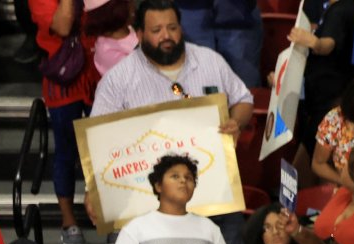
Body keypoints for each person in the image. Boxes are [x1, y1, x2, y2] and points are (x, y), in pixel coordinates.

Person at [89, 0, 253, 146]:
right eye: (156, 30)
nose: (166, 36)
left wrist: (236, 122)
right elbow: (96, 136)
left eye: (172, 28)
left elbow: (243, 99)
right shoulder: (117, 79)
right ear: (139, 35)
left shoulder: (210, 61)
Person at [31, 0, 100, 244]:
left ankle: (111, 217)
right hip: (63, 76)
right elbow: (62, 25)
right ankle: (68, 221)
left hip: (100, 70)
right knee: (66, 150)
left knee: (106, 146)